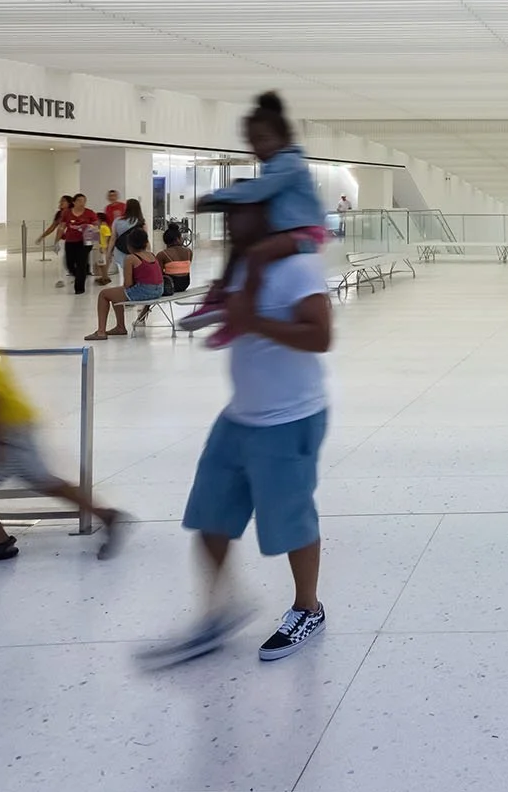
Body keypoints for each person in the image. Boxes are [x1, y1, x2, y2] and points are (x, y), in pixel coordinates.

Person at [142, 198, 333, 667]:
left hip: (290, 417)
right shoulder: (244, 266)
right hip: (239, 415)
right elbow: (237, 318)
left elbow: (320, 335)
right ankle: (218, 611)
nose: (231, 225)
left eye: (240, 215)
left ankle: (308, 607)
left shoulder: (298, 268)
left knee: (291, 520)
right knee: (211, 516)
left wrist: (254, 322)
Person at [0, 299, 126, 568]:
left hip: (8, 430)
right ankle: (101, 515)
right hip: (18, 422)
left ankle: (0, 542)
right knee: (42, 480)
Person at [180, 92, 326, 346]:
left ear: (284, 138)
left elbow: (260, 190)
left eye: (264, 139)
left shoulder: (289, 163)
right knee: (243, 255)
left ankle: (241, 316)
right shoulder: (277, 163)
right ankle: (221, 298)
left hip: (307, 234)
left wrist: (218, 195)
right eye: (253, 141)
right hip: (287, 230)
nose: (258, 148)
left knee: (258, 254)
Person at [86, 228, 165, 339]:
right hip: (159, 290)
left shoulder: (130, 258)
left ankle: (101, 332)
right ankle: (120, 327)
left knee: (104, 294)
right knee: (114, 294)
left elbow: (127, 284)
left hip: (145, 291)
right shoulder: (151, 255)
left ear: (129, 245)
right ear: (146, 243)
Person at [57, 194, 94, 295]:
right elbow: (62, 226)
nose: (82, 203)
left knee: (81, 263)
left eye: (84, 201)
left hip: (85, 242)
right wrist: (57, 239)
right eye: (80, 201)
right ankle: (78, 275)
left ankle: (79, 288)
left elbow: (96, 226)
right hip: (70, 241)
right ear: (74, 202)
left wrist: (89, 227)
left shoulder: (89, 213)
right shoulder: (67, 213)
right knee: (69, 263)